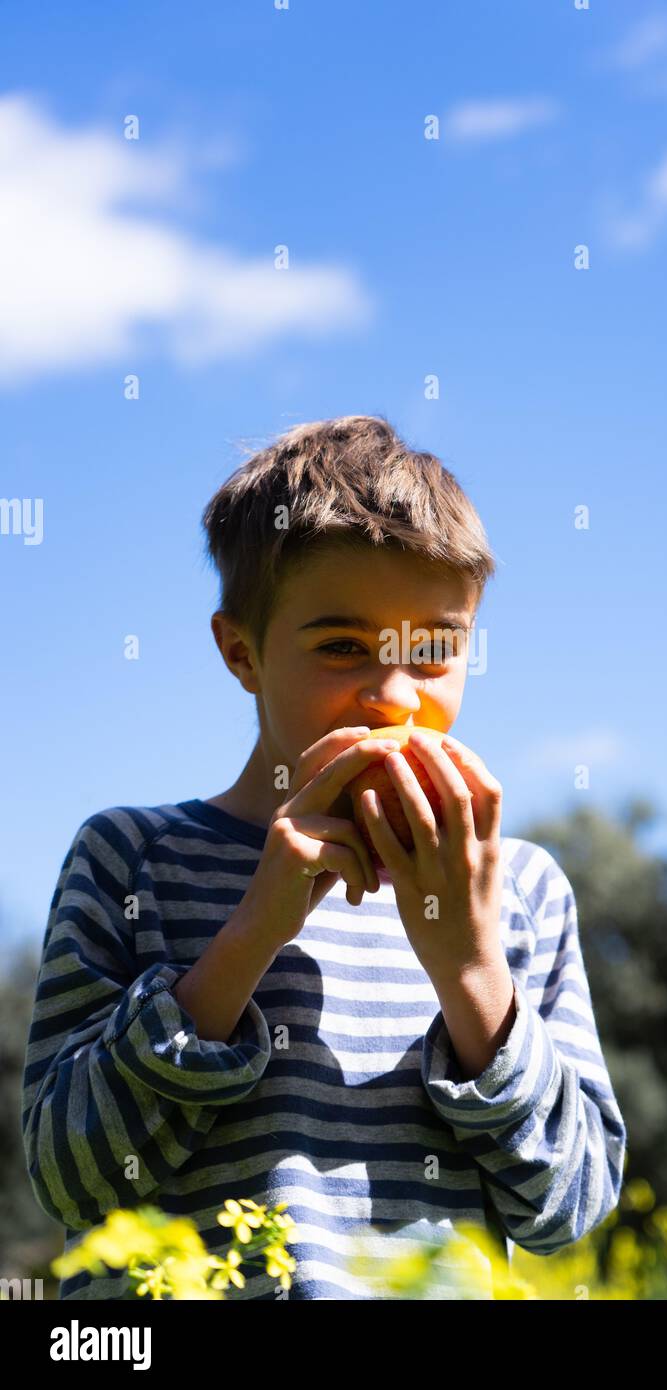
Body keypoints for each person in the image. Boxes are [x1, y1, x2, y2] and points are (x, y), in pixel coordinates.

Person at [21, 414, 626, 1299]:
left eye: (433, 650)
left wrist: (467, 964)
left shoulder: (517, 889)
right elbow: (70, 1178)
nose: (392, 697)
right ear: (242, 653)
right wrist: (251, 932)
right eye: (343, 646)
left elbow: (568, 1206)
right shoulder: (131, 859)